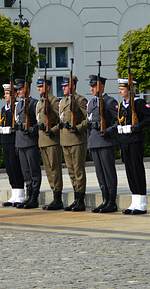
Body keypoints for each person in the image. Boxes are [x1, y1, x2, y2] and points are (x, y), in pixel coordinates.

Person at [117, 78, 150, 215]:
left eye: (122, 89)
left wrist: (138, 127)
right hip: (125, 141)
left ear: (129, 90)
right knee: (130, 172)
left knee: (137, 170)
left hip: (135, 141)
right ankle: (134, 201)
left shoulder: (139, 103)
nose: (120, 91)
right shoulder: (122, 105)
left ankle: (142, 203)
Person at [86, 74, 119, 213]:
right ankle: (104, 199)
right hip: (94, 141)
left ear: (102, 86)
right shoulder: (91, 103)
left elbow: (120, 121)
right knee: (100, 173)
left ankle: (111, 201)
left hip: (105, 141)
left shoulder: (110, 101)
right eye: (91, 86)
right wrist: (89, 142)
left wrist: (109, 131)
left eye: (94, 86)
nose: (92, 88)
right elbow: (88, 124)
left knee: (108, 172)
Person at [59, 74, 88, 212]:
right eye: (63, 86)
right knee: (71, 172)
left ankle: (81, 200)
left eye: (66, 86)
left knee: (78, 171)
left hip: (77, 140)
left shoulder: (80, 100)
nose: (63, 88)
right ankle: (76, 198)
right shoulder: (63, 102)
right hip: (65, 140)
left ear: (73, 87)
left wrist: (78, 127)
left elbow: (90, 118)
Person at [36, 76, 64, 210]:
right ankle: (54, 195)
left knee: (55, 169)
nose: (38, 89)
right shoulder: (40, 102)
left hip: (52, 140)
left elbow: (62, 121)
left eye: (41, 86)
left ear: (47, 87)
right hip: (43, 140)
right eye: (38, 86)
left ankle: (58, 198)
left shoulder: (53, 101)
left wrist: (53, 130)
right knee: (48, 170)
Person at [14, 78, 41, 209]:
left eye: (20, 89)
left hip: (30, 142)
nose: (18, 91)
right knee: (25, 172)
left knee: (33, 170)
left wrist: (32, 130)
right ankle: (28, 195)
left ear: (27, 89)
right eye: (17, 89)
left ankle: (34, 197)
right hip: (21, 142)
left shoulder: (34, 104)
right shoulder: (18, 105)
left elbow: (39, 123)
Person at [0, 83, 25, 207]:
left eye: (8, 93)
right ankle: (14, 194)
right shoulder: (4, 109)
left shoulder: (17, 107)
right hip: (5, 141)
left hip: (14, 141)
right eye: (5, 93)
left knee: (16, 167)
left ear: (14, 95)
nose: (6, 96)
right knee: (9, 169)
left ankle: (20, 194)